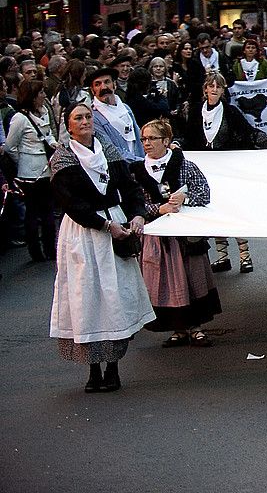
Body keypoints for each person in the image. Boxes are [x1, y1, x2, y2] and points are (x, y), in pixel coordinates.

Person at [48, 102, 155, 393]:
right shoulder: (63, 158)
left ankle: (113, 368)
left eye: (88, 116)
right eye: (78, 118)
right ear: (68, 125)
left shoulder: (107, 150)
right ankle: (93, 369)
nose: (85, 121)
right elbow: (71, 203)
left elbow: (131, 186)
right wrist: (105, 225)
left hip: (116, 226)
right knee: (87, 297)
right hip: (85, 233)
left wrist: (136, 214)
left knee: (113, 296)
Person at [183, 72, 267, 273]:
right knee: (214, 211)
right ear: (205, 89)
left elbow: (251, 133)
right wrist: (175, 144)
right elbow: (187, 137)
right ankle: (222, 256)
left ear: (223, 90)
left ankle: (244, 256)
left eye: (219, 86)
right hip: (206, 171)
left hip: (228, 169)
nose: (214, 89)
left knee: (233, 209)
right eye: (211, 85)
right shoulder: (196, 111)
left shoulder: (231, 112)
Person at [131, 118, 221, 348]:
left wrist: (185, 198)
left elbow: (205, 194)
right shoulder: (137, 171)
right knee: (167, 284)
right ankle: (179, 329)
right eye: (144, 139)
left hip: (186, 237)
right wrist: (157, 209)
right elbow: (134, 203)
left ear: (166, 140)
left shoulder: (185, 165)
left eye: (152, 138)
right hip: (158, 238)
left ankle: (196, 327)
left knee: (192, 279)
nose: (147, 143)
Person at [4, 79, 59, 261]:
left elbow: (48, 134)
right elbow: (10, 146)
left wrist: (52, 144)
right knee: (33, 212)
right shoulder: (19, 118)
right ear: (32, 96)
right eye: (41, 93)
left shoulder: (43, 113)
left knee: (48, 212)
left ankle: (50, 250)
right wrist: (23, 160)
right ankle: (36, 251)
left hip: (46, 169)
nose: (44, 95)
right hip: (30, 173)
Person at [88, 66, 144, 161]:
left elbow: (139, 135)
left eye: (107, 82)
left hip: (141, 161)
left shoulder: (126, 108)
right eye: (97, 84)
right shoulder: (94, 116)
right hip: (121, 166)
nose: (104, 87)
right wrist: (137, 161)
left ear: (114, 84)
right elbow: (110, 148)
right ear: (92, 90)